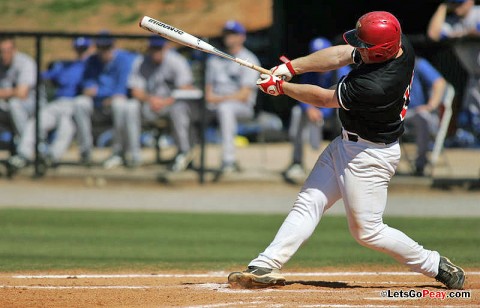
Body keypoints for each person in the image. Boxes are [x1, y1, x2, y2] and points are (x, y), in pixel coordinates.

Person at [228, 11, 465, 290]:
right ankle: (265, 264)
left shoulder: (375, 85)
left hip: (369, 157)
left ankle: (435, 264)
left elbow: (326, 99)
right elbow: (342, 54)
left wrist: (282, 88)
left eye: (365, 47)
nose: (359, 49)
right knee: (308, 201)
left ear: (379, 52)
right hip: (347, 143)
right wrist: (291, 68)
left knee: (367, 232)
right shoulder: (398, 46)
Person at [7, 37, 92, 171]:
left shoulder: (91, 67)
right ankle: (23, 155)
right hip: (57, 103)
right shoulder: (65, 65)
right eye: (78, 48)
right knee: (35, 123)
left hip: (74, 104)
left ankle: (51, 156)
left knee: (67, 126)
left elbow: (93, 88)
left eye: (83, 49)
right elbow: (44, 76)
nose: (80, 51)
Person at [282, 37, 350, 183]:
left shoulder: (342, 71)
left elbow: (343, 99)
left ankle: (344, 164)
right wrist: (309, 108)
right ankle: (297, 162)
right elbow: (301, 94)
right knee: (297, 112)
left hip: (335, 112)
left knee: (344, 112)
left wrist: (321, 111)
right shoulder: (310, 71)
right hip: (315, 111)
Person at [126, 35, 196, 169]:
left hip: (171, 104)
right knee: (129, 107)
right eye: (153, 48)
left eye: (159, 48)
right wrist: (151, 99)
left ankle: (184, 151)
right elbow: (135, 90)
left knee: (179, 108)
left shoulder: (176, 61)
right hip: (149, 105)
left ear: (166, 47)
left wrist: (166, 101)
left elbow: (187, 88)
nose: (156, 51)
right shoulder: (140, 62)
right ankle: (133, 155)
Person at [73, 31, 136, 167]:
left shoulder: (123, 59)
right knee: (79, 103)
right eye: (101, 48)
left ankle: (118, 151)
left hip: (114, 103)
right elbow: (87, 87)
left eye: (107, 47)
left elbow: (121, 90)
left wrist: (101, 92)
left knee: (119, 104)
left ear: (113, 46)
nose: (104, 51)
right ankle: (86, 151)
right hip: (97, 104)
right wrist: (102, 93)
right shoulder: (92, 60)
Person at [205, 20, 260, 174]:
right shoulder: (214, 59)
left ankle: (228, 160)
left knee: (225, 109)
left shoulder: (250, 59)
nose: (229, 37)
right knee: (185, 107)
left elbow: (244, 95)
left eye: (233, 34)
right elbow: (207, 94)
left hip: (242, 107)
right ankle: (185, 154)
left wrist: (219, 99)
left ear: (242, 37)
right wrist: (216, 99)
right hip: (214, 105)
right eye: (227, 33)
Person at [404, 57, 447, 176]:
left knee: (422, 118)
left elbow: (439, 82)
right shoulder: (385, 62)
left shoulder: (417, 63)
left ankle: (420, 164)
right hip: (395, 113)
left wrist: (431, 106)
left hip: (415, 112)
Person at [0, 36, 37, 143]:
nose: (3, 55)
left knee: (15, 104)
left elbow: (22, 93)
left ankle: (28, 145)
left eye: (7, 51)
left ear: (14, 50)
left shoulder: (26, 62)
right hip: (6, 105)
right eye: (1, 51)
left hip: (32, 105)